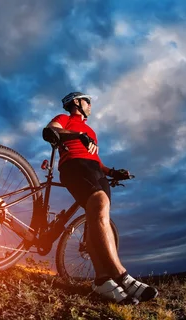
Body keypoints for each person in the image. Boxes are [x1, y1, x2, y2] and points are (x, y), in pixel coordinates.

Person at [44, 91, 158, 305]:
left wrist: (113, 172)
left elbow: (96, 159)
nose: (90, 105)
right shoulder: (65, 119)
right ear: (77, 102)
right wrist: (77, 136)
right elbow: (51, 131)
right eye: (88, 101)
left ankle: (102, 280)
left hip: (95, 170)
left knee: (98, 216)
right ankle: (121, 276)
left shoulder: (91, 131)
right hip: (74, 165)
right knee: (99, 203)